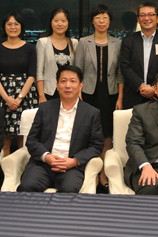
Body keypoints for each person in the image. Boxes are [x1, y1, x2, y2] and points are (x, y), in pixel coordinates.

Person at [18, 65, 103, 193]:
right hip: (43, 165)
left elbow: (96, 146)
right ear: (57, 85)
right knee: (27, 186)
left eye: (72, 81)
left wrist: (74, 161)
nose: (68, 85)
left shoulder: (91, 113)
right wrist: (47, 157)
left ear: (80, 85)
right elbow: (32, 140)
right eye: (63, 81)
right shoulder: (45, 108)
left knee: (69, 189)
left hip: (71, 167)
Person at [73, 4, 124, 191]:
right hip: (88, 94)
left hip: (110, 94)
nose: (101, 21)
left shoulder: (117, 43)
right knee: (89, 133)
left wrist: (120, 97)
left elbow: (120, 73)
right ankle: (90, 173)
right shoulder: (83, 42)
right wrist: (78, 93)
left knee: (107, 133)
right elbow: (77, 70)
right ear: (93, 21)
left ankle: (104, 173)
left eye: (105, 18)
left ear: (109, 21)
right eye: (98, 18)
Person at [0, 12, 38, 156]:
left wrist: (19, 98)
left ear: (21, 27)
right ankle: (4, 167)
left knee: (23, 135)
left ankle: (22, 168)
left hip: (25, 96)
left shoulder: (30, 48)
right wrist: (7, 99)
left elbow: (32, 75)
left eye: (16, 24)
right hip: (2, 96)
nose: (13, 27)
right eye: (9, 24)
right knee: (4, 137)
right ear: (4, 27)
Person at [120, 2, 158, 109]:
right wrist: (140, 86)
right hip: (133, 94)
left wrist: (153, 88)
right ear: (138, 19)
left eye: (151, 15)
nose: (147, 18)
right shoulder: (129, 41)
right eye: (143, 15)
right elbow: (125, 66)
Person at [36, 8, 79, 103]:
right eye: (56, 20)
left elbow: (77, 71)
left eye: (63, 21)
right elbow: (39, 72)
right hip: (49, 92)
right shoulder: (43, 42)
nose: (60, 24)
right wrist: (41, 95)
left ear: (68, 23)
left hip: (70, 91)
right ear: (51, 22)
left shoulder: (74, 43)